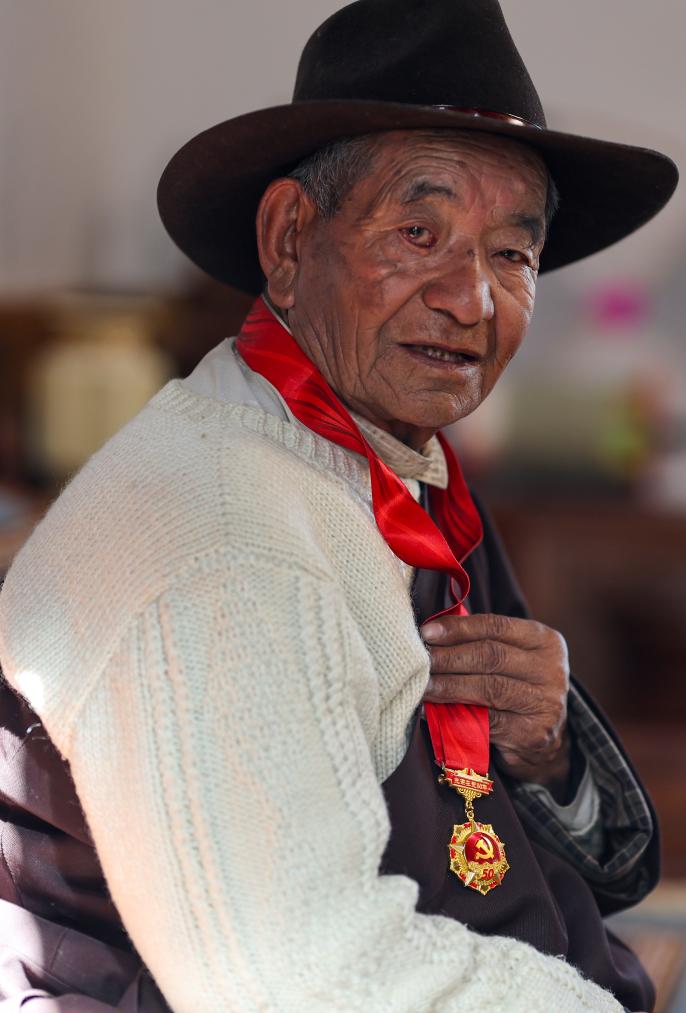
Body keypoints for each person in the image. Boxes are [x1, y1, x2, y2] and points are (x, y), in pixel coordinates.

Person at [0, 0, 678, 1010]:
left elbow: (510, 858)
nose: (471, 300)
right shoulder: (221, 535)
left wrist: (540, 750)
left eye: (511, 255)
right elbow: (300, 980)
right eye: (419, 232)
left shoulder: (400, 471)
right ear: (288, 240)